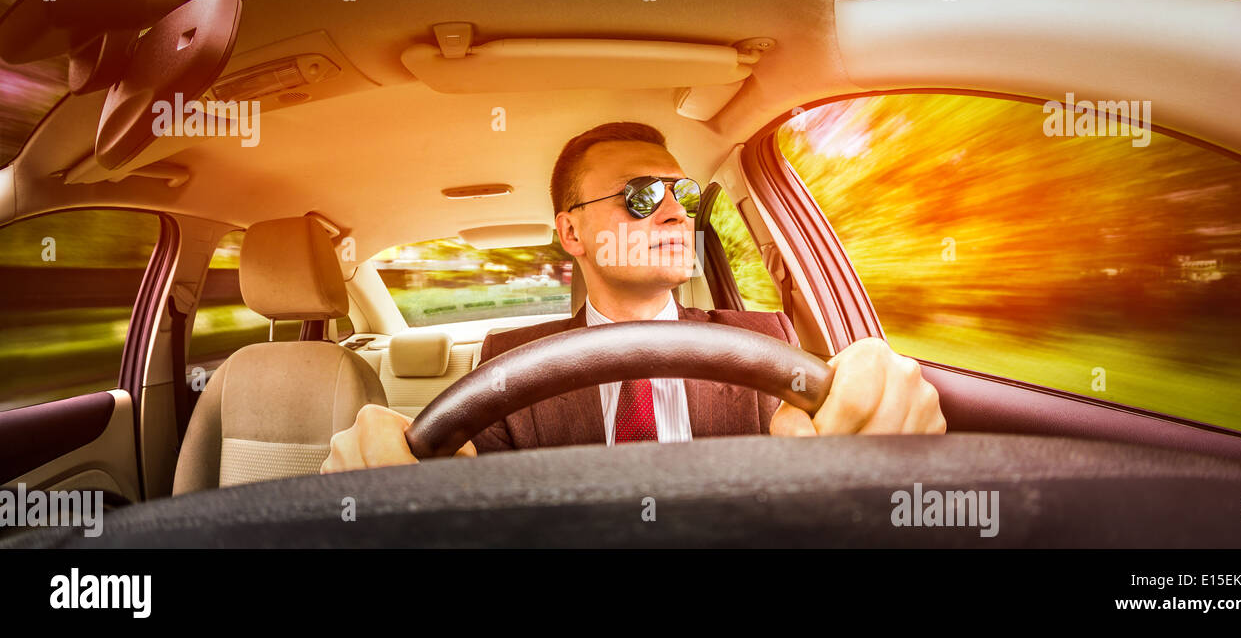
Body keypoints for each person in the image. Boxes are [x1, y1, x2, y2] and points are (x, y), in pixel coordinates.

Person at [322, 122, 944, 472]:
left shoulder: (769, 343)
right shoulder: (503, 362)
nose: (676, 214)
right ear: (572, 232)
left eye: (683, 193)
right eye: (642, 196)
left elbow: (837, 442)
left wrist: (880, 406)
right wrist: (384, 477)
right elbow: (464, 499)